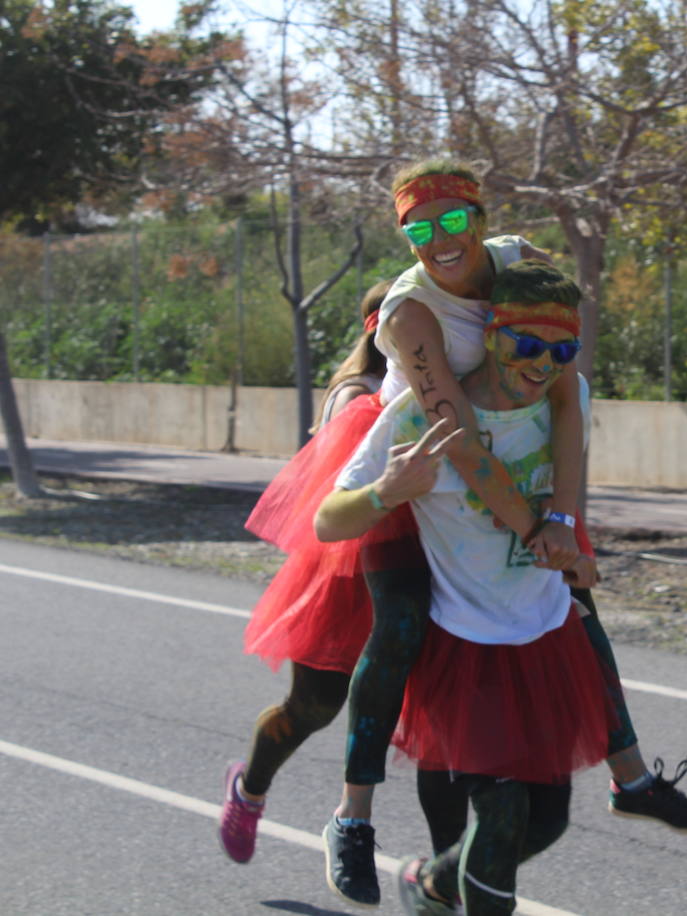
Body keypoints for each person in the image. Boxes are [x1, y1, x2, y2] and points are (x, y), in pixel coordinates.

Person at [314, 261, 613, 915]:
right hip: (462, 643)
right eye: (527, 346)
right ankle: (356, 819)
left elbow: (559, 516)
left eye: (559, 351)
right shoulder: (418, 418)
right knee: (502, 814)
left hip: (539, 640)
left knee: (545, 823)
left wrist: (570, 551)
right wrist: (387, 491)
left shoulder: (570, 398)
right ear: (493, 333)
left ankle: (430, 884)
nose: (542, 364)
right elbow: (326, 520)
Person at [218, 278, 394, 864]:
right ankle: (249, 790)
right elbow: (330, 508)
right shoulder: (357, 395)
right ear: (382, 328)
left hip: (417, 570)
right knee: (314, 709)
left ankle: (441, 862)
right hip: (346, 577)